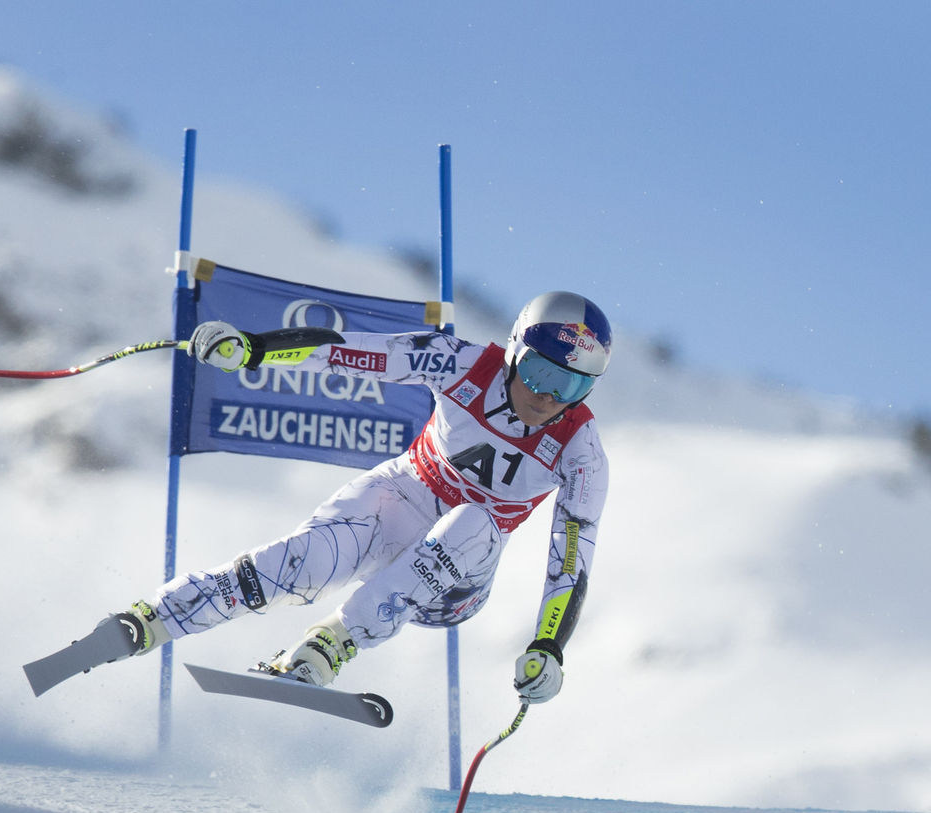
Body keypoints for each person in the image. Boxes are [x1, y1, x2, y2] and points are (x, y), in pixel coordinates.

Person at [56, 291, 611, 706]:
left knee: (474, 520)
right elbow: (348, 353)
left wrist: (549, 645)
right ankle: (152, 620)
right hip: (401, 500)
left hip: (457, 580)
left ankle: (329, 648)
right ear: (515, 352)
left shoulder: (580, 451)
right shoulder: (462, 362)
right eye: (540, 372)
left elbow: (570, 562)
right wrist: (251, 350)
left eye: (572, 386)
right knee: (304, 562)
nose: (547, 396)